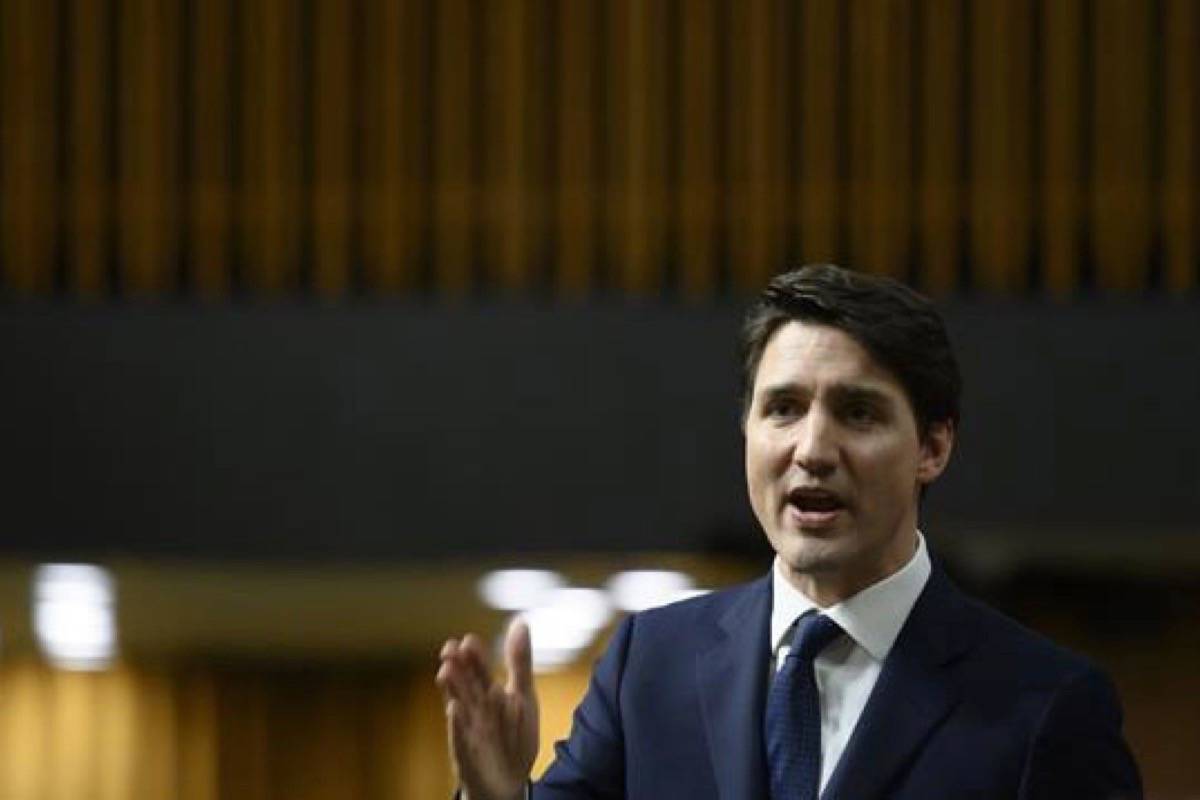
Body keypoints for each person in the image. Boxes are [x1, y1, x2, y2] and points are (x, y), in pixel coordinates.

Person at [436, 264, 1143, 800]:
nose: (812, 448)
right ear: (746, 430)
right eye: (783, 408)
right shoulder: (650, 667)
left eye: (858, 413)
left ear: (933, 447)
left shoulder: (1045, 705)